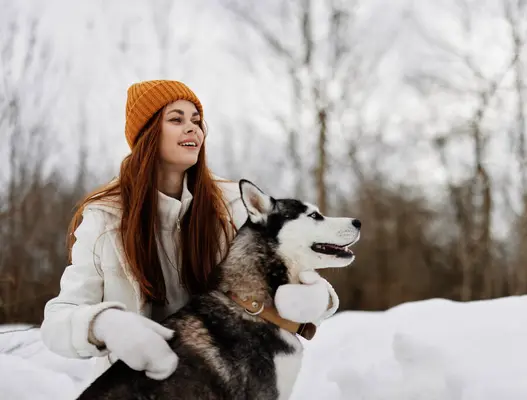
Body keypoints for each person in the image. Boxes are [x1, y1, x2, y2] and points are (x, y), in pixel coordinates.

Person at [40, 80, 338, 382]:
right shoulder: (104, 218)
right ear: (148, 133)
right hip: (137, 388)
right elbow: (58, 320)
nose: (193, 128)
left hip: (225, 384)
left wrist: (319, 300)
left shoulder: (233, 206)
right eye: (176, 119)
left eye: (196, 121)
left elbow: (293, 271)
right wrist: (104, 324)